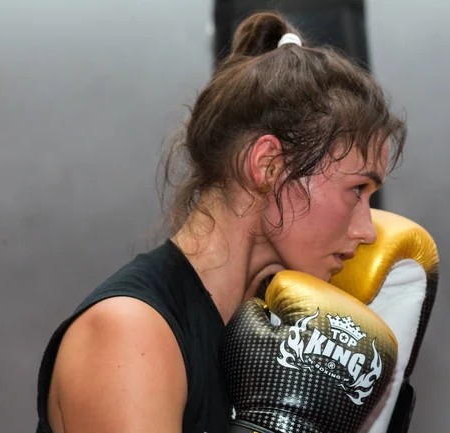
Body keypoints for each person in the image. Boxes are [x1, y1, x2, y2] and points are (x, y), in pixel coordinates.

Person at [35, 10, 407, 433]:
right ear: (267, 166)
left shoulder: (279, 341)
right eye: (356, 190)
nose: (368, 230)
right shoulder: (130, 335)